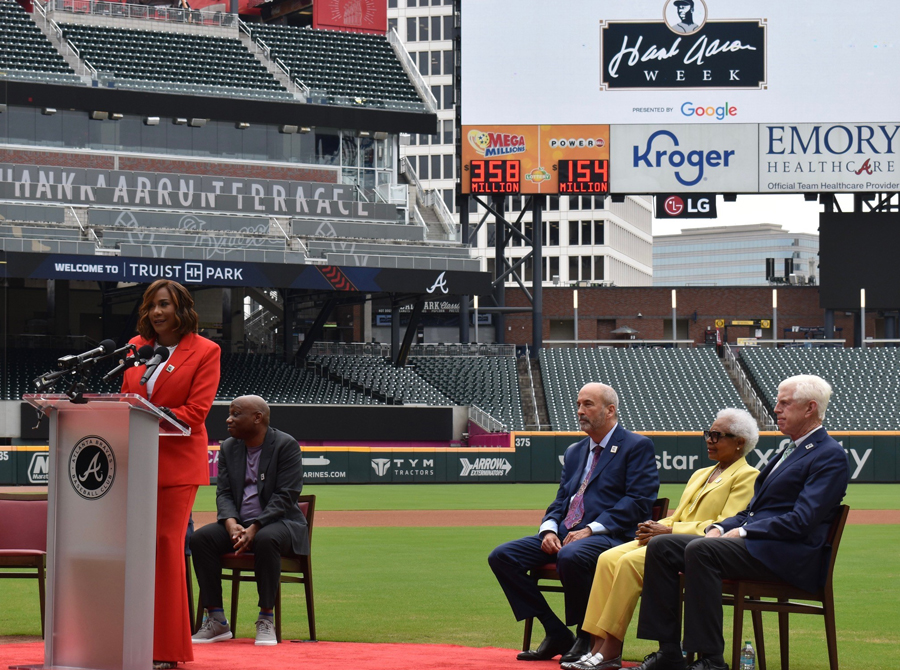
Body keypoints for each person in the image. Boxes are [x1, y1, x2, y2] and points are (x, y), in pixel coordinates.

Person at [634, 375, 850, 670]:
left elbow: (802, 521)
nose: (775, 409)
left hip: (787, 556)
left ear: (810, 408)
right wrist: (720, 527)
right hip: (759, 548)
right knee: (662, 546)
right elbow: (752, 510)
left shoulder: (829, 456)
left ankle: (710, 660)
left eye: (785, 403)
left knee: (701, 550)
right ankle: (669, 652)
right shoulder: (787, 451)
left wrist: (744, 530)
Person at [565, 409, 760, 670]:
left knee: (627, 563)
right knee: (607, 558)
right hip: (670, 538)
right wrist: (654, 525)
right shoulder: (701, 474)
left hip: (693, 547)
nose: (709, 440)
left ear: (740, 443)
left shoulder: (747, 476)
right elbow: (680, 515)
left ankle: (611, 647)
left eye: (717, 435)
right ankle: (595, 643)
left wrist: (669, 531)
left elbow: (723, 525)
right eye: (708, 434)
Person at [488, 383, 659, 663]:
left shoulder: (637, 446)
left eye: (588, 404)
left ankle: (585, 634)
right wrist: (548, 529)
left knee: (572, 555)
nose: (580, 411)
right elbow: (562, 500)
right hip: (568, 534)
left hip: (613, 536)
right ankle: (556, 632)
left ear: (610, 410)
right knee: (503, 556)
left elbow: (639, 501)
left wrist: (592, 528)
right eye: (578, 404)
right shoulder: (575, 451)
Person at [121, 279, 221, 670]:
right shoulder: (135, 347)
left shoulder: (205, 351)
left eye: (164, 305)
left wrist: (144, 417)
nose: (157, 312)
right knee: (133, 553)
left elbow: (195, 414)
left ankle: (167, 649)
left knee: (165, 548)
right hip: (133, 463)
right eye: (151, 306)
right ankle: (129, 641)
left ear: (182, 309)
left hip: (176, 467)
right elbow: (127, 398)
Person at [190, 395, 308, 646]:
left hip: (283, 525)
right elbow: (223, 492)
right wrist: (231, 523)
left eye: (235, 414)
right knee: (201, 538)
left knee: (266, 538)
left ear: (257, 417)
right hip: (240, 525)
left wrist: (256, 526)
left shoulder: (285, 445)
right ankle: (217, 621)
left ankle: (266, 618)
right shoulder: (229, 447)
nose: (228, 419)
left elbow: (286, 496)